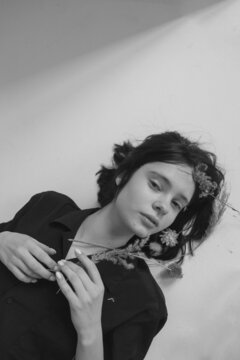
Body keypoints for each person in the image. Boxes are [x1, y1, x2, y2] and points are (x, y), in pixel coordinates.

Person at [0, 131, 225, 360]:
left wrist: (90, 333)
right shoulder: (47, 207)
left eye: (176, 204)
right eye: (156, 185)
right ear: (124, 174)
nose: (163, 206)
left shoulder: (144, 303)